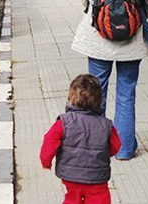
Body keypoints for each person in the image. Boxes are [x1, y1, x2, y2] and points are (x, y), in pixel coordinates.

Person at [71, 0, 148, 160]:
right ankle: (125, 149)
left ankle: (99, 147)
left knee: (97, 92)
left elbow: (84, 2)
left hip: (97, 39)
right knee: (126, 93)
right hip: (130, 38)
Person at [40, 74, 122, 204]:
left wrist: (46, 161)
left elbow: (49, 141)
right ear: (100, 100)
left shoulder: (64, 122)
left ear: (71, 99)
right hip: (97, 177)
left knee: (73, 196)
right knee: (99, 198)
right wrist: (102, 152)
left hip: (71, 176)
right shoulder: (106, 125)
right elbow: (115, 147)